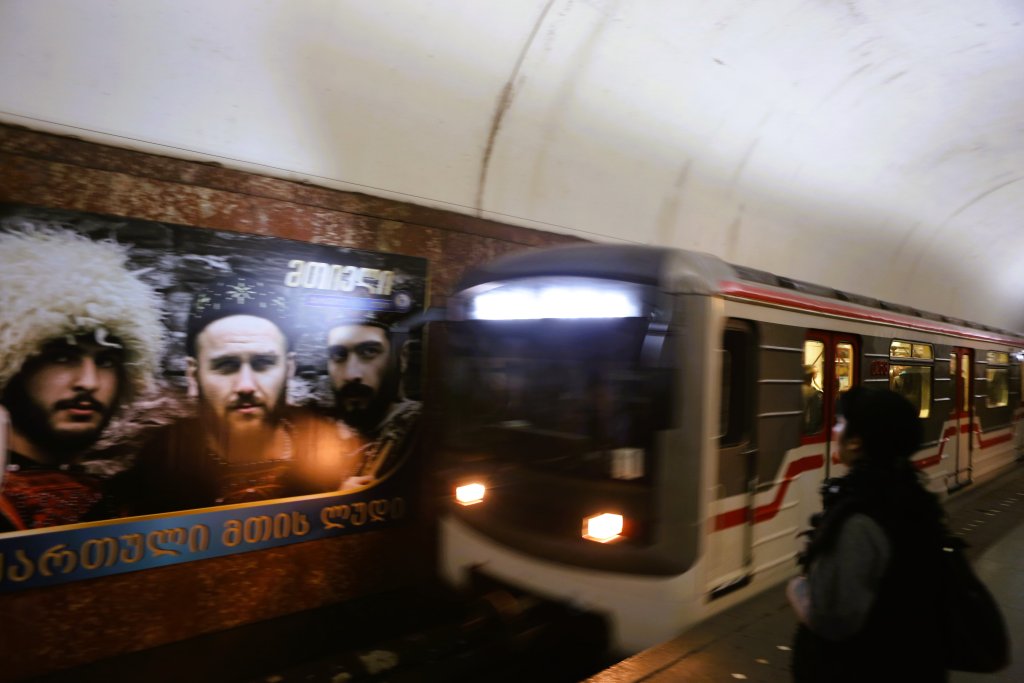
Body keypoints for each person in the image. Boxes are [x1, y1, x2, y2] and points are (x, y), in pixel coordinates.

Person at [121, 277, 360, 513]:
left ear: (289, 369)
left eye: (263, 363)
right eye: (226, 365)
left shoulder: (334, 452)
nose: (246, 385)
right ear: (193, 375)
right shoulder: (161, 465)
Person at [0, 228, 164, 530]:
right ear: (13, 360)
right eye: (62, 357)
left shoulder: (117, 497)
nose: (89, 382)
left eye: (105, 361)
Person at [786, 386, 948, 682]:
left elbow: (833, 619)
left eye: (839, 422)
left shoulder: (860, 519)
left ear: (857, 441)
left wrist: (797, 589)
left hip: (861, 668)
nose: (834, 430)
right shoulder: (914, 500)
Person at [327, 313, 421, 488]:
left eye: (369, 352)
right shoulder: (320, 429)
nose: (351, 375)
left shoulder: (418, 429)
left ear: (402, 357)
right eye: (338, 355)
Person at [801, 365, 824, 434]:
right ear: (811, 376)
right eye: (815, 373)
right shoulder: (812, 392)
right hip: (808, 430)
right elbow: (815, 415)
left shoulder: (797, 390)